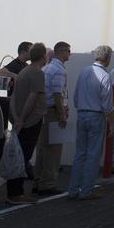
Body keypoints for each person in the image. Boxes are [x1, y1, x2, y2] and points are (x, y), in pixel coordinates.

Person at [68, 46, 114, 201]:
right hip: (96, 115)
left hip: (82, 113)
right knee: (93, 154)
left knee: (80, 153)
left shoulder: (84, 71)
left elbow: (75, 96)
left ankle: (73, 189)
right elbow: (107, 105)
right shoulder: (105, 76)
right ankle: (86, 190)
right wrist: (112, 124)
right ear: (107, 58)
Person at [7, 42, 48, 205]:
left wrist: (16, 118)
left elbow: (14, 96)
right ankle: (16, 193)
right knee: (23, 157)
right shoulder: (37, 73)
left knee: (18, 156)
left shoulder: (24, 71)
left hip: (21, 120)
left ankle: (14, 192)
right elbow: (32, 97)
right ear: (43, 56)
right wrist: (22, 119)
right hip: (30, 121)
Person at [33, 41, 71, 196]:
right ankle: (48, 183)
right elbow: (57, 94)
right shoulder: (59, 70)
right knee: (54, 150)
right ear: (62, 52)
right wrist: (62, 115)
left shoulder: (47, 68)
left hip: (44, 112)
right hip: (53, 113)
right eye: (68, 51)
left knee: (43, 148)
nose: (69, 54)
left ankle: (38, 180)